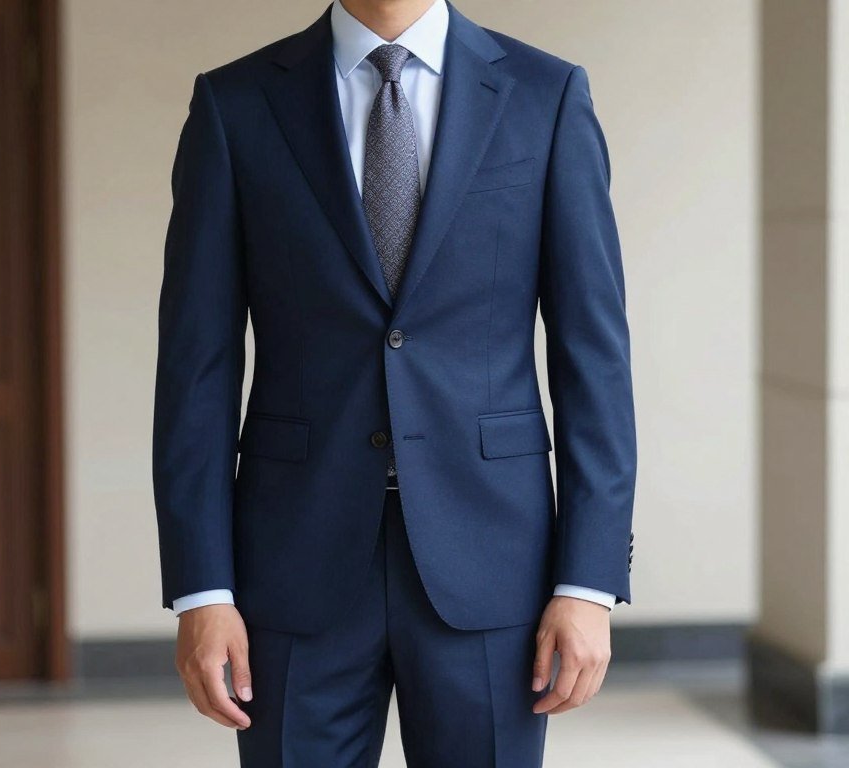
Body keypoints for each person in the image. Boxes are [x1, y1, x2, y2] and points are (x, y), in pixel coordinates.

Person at [152, 0, 637, 765]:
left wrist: (588, 580)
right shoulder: (235, 103)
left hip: (492, 561)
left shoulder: (546, 95)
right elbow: (196, 366)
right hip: (292, 560)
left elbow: (593, 358)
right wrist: (202, 590)